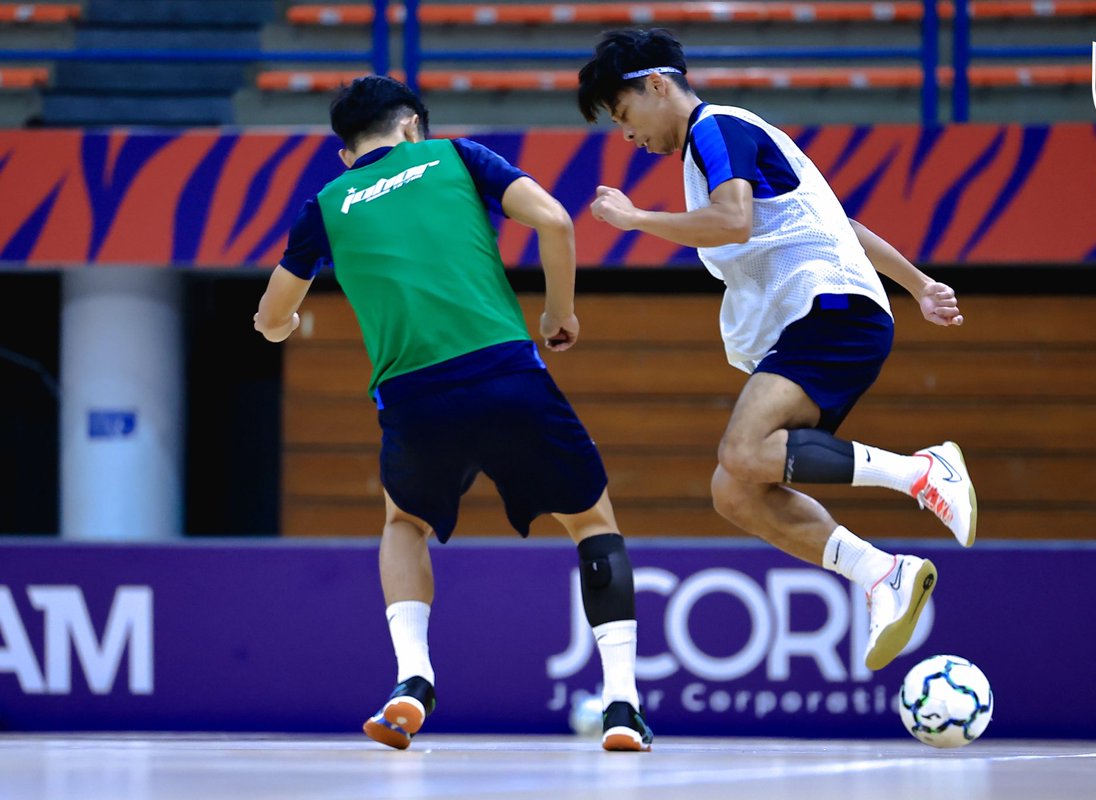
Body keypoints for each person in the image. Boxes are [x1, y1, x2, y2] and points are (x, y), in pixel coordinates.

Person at [254, 75, 652, 751]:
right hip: (505, 372)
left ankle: (412, 680)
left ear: (347, 153)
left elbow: (268, 319)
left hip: (413, 398)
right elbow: (554, 220)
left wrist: (285, 321)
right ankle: (621, 704)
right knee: (590, 522)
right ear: (412, 126)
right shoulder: (457, 157)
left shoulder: (326, 203)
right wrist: (559, 313)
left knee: (403, 524)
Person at [577, 29, 977, 672]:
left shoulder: (715, 127)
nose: (628, 137)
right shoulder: (715, 150)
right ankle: (884, 574)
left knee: (742, 449)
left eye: (624, 116)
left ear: (657, 85)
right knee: (735, 489)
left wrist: (636, 220)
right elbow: (835, 220)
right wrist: (920, 284)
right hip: (831, 317)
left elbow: (733, 221)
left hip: (830, 311)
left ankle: (924, 474)